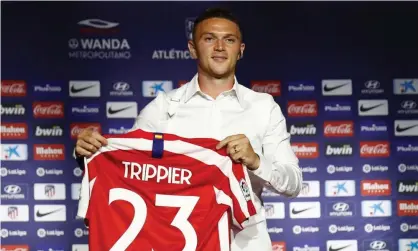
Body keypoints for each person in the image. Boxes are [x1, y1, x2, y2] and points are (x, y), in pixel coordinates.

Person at [74, 7, 303, 251]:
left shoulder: (263, 107)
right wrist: (88, 152)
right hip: (181, 243)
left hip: (247, 245)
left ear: (240, 51)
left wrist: (256, 161)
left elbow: (294, 183)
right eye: (209, 38)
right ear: (193, 48)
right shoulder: (163, 107)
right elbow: (127, 167)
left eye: (229, 40)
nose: (219, 47)